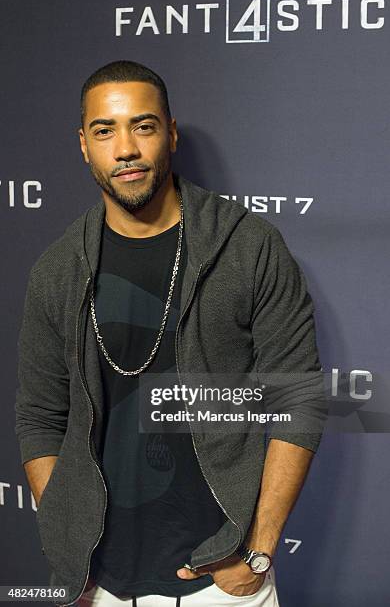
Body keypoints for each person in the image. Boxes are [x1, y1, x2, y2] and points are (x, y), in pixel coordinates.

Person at [15, 60, 327, 607]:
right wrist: (69, 540)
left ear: (171, 133)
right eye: (105, 130)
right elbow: (41, 418)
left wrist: (258, 550)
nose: (126, 148)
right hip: (104, 586)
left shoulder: (248, 246)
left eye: (144, 125)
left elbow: (298, 398)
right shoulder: (57, 270)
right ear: (84, 145)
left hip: (225, 580)